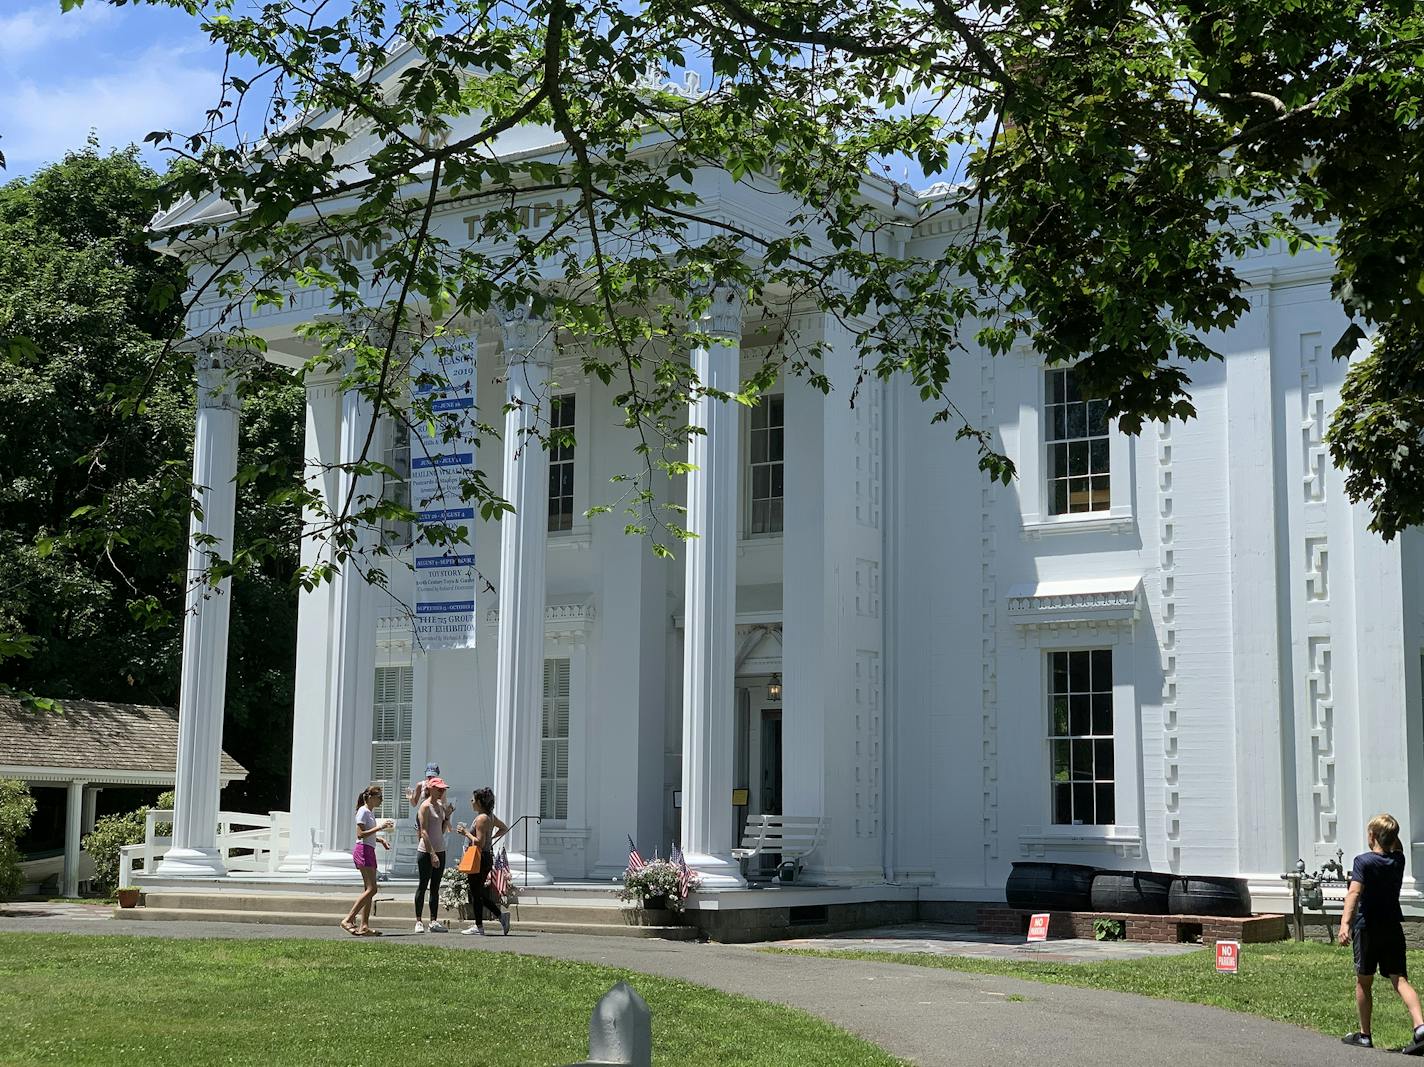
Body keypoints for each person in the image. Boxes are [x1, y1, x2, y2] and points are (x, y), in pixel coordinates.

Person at [1339, 813, 1424, 1051]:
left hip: (1367, 928)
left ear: (1373, 836)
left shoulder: (1363, 861)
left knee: (1364, 981)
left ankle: (1365, 1035)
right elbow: (1397, 846)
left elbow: (1354, 893)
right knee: (1400, 980)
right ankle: (1420, 1027)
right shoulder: (1399, 860)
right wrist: (1391, 833)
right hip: (1392, 927)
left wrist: (1345, 923)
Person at [455, 786, 510, 936]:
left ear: (479, 802)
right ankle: (498, 917)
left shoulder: (481, 819)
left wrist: (465, 833)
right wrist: (491, 839)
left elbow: (478, 842)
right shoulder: (490, 816)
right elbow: (504, 828)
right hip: (486, 856)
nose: (471, 802)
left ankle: (481, 925)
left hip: (479, 857)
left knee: (476, 892)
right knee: (477, 892)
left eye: (473, 799)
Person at [342, 784, 394, 936]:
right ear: (370, 797)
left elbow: (368, 835)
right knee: (373, 889)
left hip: (368, 850)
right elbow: (360, 834)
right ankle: (349, 919)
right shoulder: (363, 812)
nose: (381, 801)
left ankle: (364, 926)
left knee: (369, 890)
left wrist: (380, 840)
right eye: (380, 798)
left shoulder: (369, 813)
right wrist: (380, 828)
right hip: (363, 851)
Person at [413, 776, 452, 933]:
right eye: (439, 789)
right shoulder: (425, 806)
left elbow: (442, 830)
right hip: (426, 851)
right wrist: (432, 853)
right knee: (423, 885)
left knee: (435, 887)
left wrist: (447, 815)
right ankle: (418, 921)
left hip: (440, 849)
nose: (442, 791)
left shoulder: (440, 806)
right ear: (430, 789)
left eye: (443, 789)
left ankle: (434, 921)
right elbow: (423, 831)